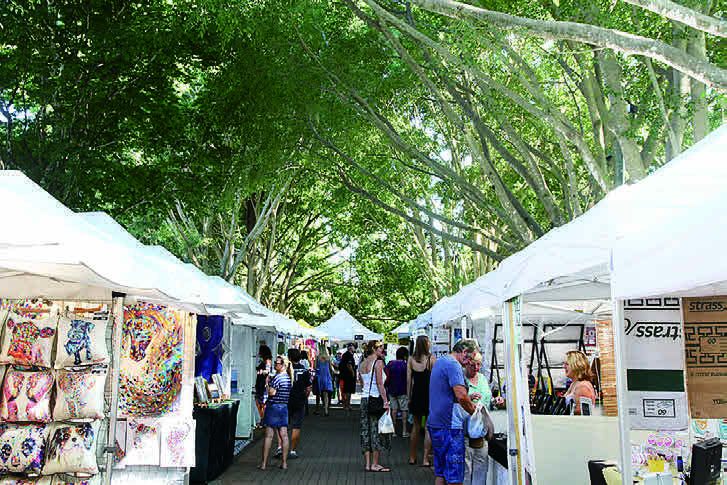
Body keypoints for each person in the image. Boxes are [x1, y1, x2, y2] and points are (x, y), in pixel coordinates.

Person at [428, 339, 478, 485]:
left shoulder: (441, 361)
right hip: (449, 426)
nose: (469, 363)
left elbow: (447, 393)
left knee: (441, 472)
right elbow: (461, 395)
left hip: (436, 423)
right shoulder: (453, 365)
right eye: (470, 358)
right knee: (454, 477)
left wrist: (467, 398)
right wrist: (474, 413)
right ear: (464, 352)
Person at [359, 340, 391, 472]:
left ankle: (367, 464)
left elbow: (361, 382)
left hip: (364, 399)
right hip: (375, 399)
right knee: (376, 431)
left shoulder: (362, 363)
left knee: (365, 431)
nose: (382, 350)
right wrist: (385, 401)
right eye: (380, 348)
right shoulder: (378, 362)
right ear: (374, 348)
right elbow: (379, 383)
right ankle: (375, 464)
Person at [463, 351, 495, 485]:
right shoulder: (461, 380)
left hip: (482, 432)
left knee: (481, 469)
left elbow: (487, 400)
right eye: (473, 365)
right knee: (466, 470)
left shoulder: (482, 378)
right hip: (466, 431)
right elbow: (456, 401)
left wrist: (495, 401)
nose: (476, 368)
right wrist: (468, 398)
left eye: (479, 364)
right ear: (466, 363)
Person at [259, 355, 292, 471]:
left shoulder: (277, 378)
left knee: (269, 436)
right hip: (284, 408)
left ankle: (264, 464)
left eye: (277, 363)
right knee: (284, 435)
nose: (275, 365)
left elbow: (271, 392)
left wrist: (267, 384)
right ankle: (284, 463)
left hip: (273, 407)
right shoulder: (288, 378)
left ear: (283, 365)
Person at [408, 335, 435, 466]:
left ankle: (412, 457)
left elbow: (409, 381)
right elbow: (435, 380)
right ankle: (425, 458)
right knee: (428, 427)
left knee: (416, 426)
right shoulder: (431, 359)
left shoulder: (411, 360)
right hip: (429, 396)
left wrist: (408, 397)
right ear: (426, 344)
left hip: (416, 396)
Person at [286, 349, 311, 460]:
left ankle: (281, 448)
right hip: (299, 400)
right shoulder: (304, 370)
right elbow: (308, 387)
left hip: (286, 400)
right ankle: (292, 450)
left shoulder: (286, 369)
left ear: (289, 358)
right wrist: (305, 397)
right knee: (296, 426)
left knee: (284, 426)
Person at [385, 346, 410, 437]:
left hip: (392, 390)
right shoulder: (406, 365)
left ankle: (393, 431)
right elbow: (409, 379)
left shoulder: (390, 364)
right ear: (405, 356)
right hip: (403, 390)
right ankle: (404, 431)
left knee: (394, 410)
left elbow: (385, 375)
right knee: (404, 410)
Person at [563, 350, 597, 415]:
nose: (564, 366)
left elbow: (581, 413)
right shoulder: (574, 383)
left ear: (577, 365)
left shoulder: (583, 386)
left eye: (567, 364)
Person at [314, 346, 335, 416]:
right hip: (327, 376)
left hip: (320, 376)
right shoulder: (328, 358)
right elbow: (330, 368)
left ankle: (317, 409)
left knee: (318, 394)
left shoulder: (317, 358)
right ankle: (326, 410)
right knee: (326, 394)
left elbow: (315, 367)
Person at [255, 345, 273, 421]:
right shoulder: (265, 360)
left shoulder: (267, 361)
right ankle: (263, 419)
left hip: (263, 384)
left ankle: (263, 419)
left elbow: (267, 371)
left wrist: (261, 371)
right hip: (261, 384)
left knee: (261, 403)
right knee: (260, 402)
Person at [339, 343, 357, 413]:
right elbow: (349, 365)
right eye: (353, 347)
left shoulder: (347, 354)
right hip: (348, 376)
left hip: (346, 375)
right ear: (350, 348)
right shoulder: (348, 355)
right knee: (348, 391)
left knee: (347, 391)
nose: (354, 348)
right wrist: (353, 373)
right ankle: (347, 405)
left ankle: (346, 405)